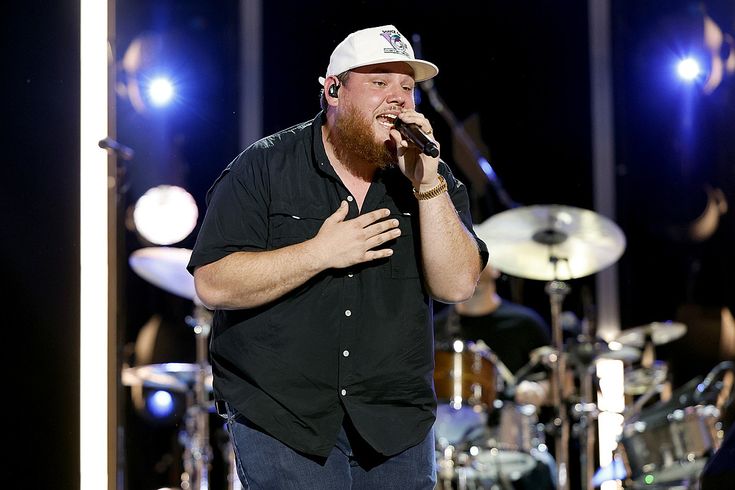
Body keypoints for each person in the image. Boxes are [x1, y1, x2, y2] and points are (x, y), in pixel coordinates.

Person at [187, 24, 487, 489]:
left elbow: (456, 285)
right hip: (283, 414)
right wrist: (317, 253)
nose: (398, 99)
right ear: (333, 90)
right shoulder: (264, 167)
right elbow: (213, 283)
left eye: (407, 87)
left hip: (394, 421)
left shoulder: (433, 180)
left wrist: (428, 183)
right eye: (378, 83)